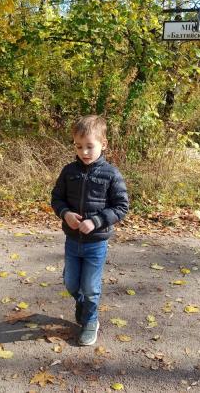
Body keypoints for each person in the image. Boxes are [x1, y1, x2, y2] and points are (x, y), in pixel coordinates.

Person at [51, 115, 129, 346]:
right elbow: (57, 198)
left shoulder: (111, 174)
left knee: (91, 287)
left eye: (89, 147)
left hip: (96, 243)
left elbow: (121, 207)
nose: (84, 152)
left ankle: (90, 320)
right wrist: (65, 213)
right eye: (78, 146)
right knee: (71, 283)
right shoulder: (68, 171)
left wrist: (96, 221)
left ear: (103, 144)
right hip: (72, 241)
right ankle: (82, 304)